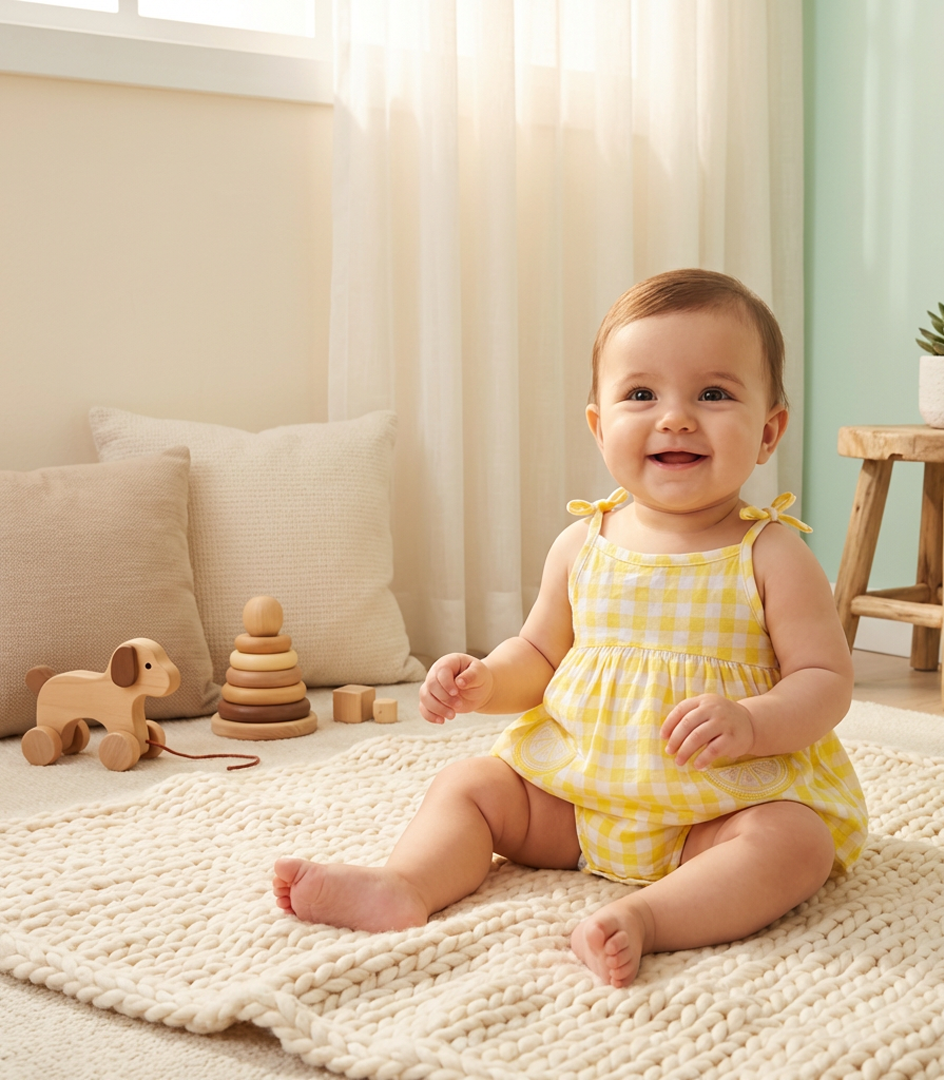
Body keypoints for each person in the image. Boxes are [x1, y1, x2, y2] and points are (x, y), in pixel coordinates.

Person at [274, 268, 868, 988]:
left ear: (769, 431)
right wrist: (486, 680)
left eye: (713, 394)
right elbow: (538, 654)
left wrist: (749, 722)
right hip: (577, 796)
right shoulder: (583, 544)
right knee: (472, 785)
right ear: (599, 426)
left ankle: (653, 917)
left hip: (716, 809)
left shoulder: (772, 553)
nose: (674, 417)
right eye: (641, 394)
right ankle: (406, 884)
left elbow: (824, 681)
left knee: (794, 844)